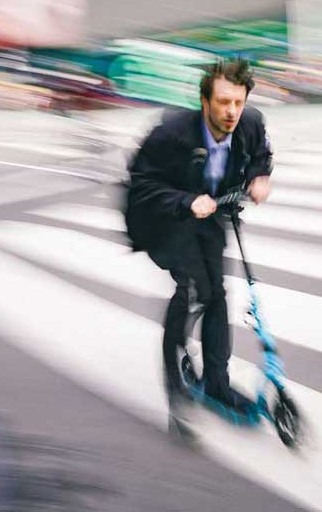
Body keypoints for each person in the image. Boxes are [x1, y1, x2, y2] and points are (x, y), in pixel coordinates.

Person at [125, 58, 273, 424]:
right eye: (223, 102)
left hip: (211, 214)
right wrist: (185, 201)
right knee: (191, 288)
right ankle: (176, 384)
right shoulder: (171, 134)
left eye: (238, 102)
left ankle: (217, 384)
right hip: (165, 218)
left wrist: (258, 177)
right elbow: (141, 184)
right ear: (205, 101)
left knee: (217, 294)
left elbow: (260, 155)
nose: (232, 111)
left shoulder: (249, 124)